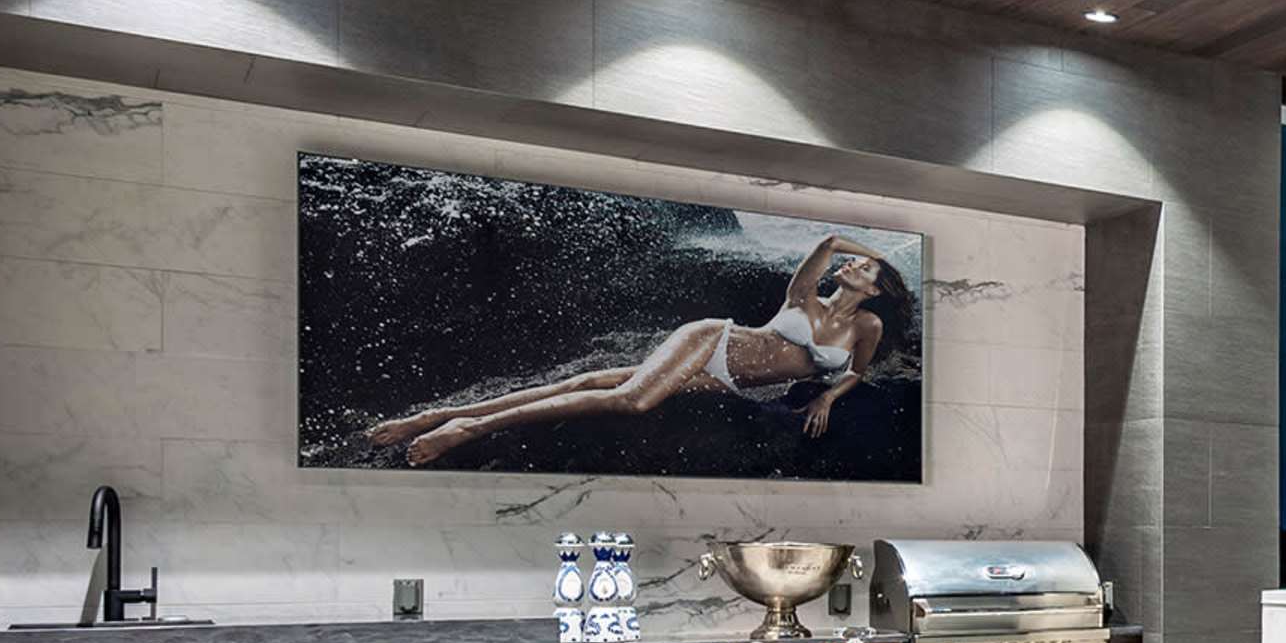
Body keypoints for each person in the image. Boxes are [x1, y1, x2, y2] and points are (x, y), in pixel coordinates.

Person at [363, 233, 906, 465]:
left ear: (875, 291)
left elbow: (854, 372)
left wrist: (828, 399)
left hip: (729, 381)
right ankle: (468, 429)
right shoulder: (805, 294)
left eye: (866, 269)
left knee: (586, 382)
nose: (853, 266)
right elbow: (831, 241)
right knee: (632, 400)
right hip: (711, 340)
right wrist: (878, 249)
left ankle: (440, 413)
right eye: (857, 263)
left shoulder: (866, 328)